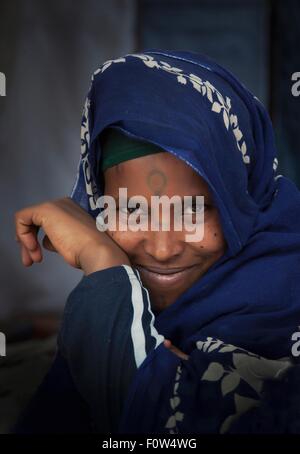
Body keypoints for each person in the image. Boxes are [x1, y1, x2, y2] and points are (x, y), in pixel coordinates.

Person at [13, 49, 300, 434]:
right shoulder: (126, 298)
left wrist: (101, 261)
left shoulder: (284, 304)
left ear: (242, 199)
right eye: (132, 211)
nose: (163, 250)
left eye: (195, 211)